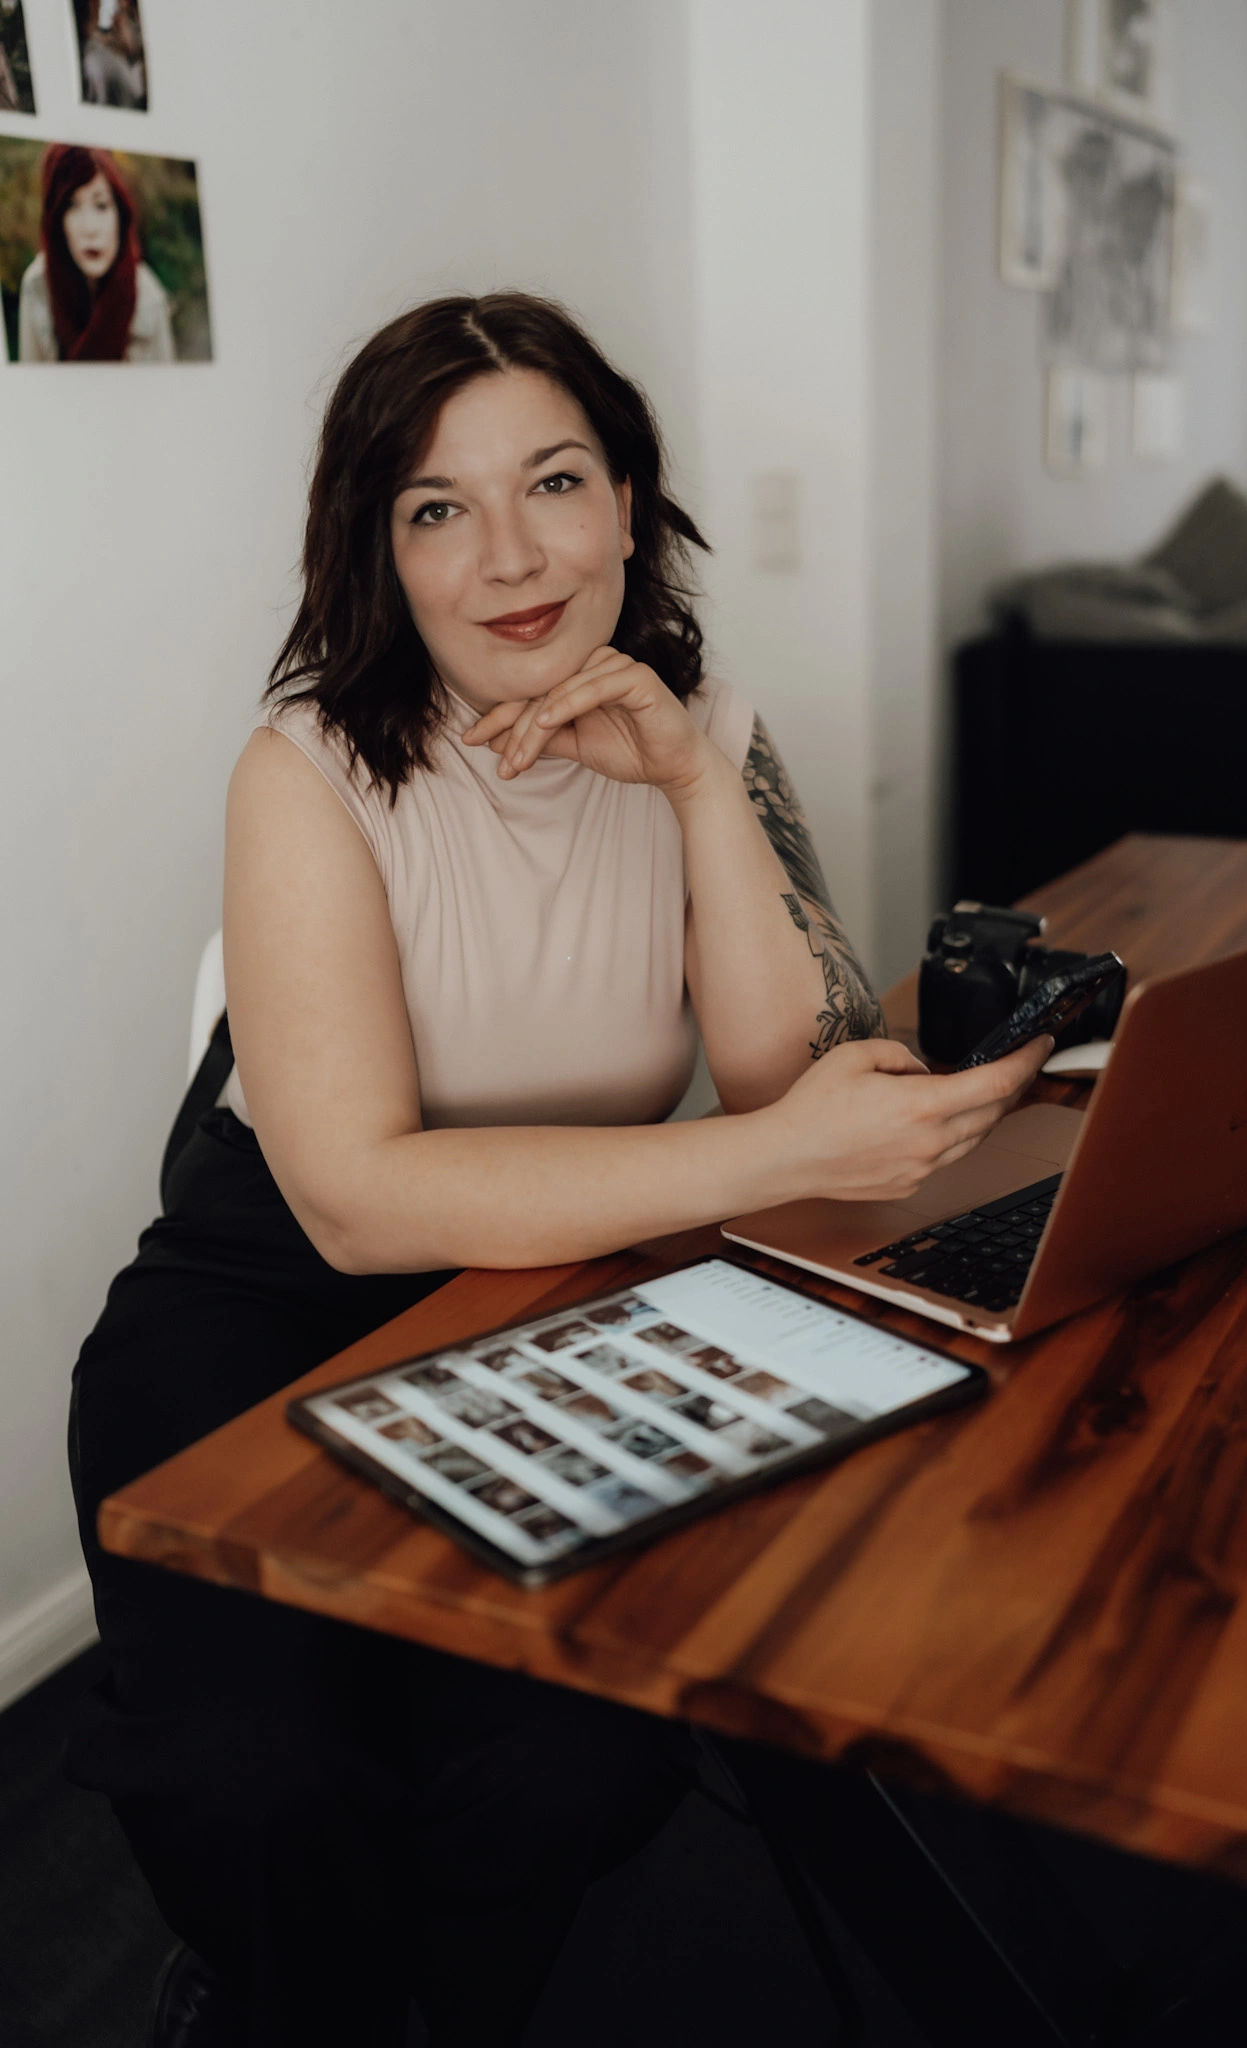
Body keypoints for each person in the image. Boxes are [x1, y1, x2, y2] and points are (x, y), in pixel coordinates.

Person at [67, 291, 1050, 2045]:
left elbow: (785, 1063)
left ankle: (427, 2006)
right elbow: (361, 1196)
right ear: (377, 545)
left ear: (628, 500)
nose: (510, 556)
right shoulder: (302, 767)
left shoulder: (708, 724)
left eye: (556, 482)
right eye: (438, 507)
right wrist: (766, 1152)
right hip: (267, 1294)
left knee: (573, 1752)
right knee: (261, 1772)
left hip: (573, 1272)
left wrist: (688, 782)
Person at [18, 143, 173, 363]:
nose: (89, 228)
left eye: (101, 206)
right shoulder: (37, 286)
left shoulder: (149, 299)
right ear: (58, 222)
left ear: (119, 214)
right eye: (71, 206)